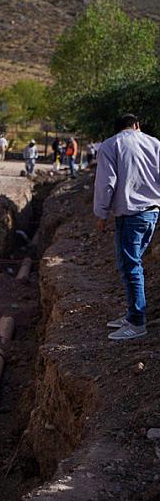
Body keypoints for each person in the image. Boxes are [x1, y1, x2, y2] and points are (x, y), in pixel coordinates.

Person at [94, 114, 160, 341]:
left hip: (130, 214)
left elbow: (106, 183)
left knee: (130, 267)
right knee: (134, 264)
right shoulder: (155, 143)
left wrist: (101, 213)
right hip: (152, 212)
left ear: (116, 129)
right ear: (137, 125)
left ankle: (136, 323)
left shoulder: (111, 145)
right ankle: (133, 314)